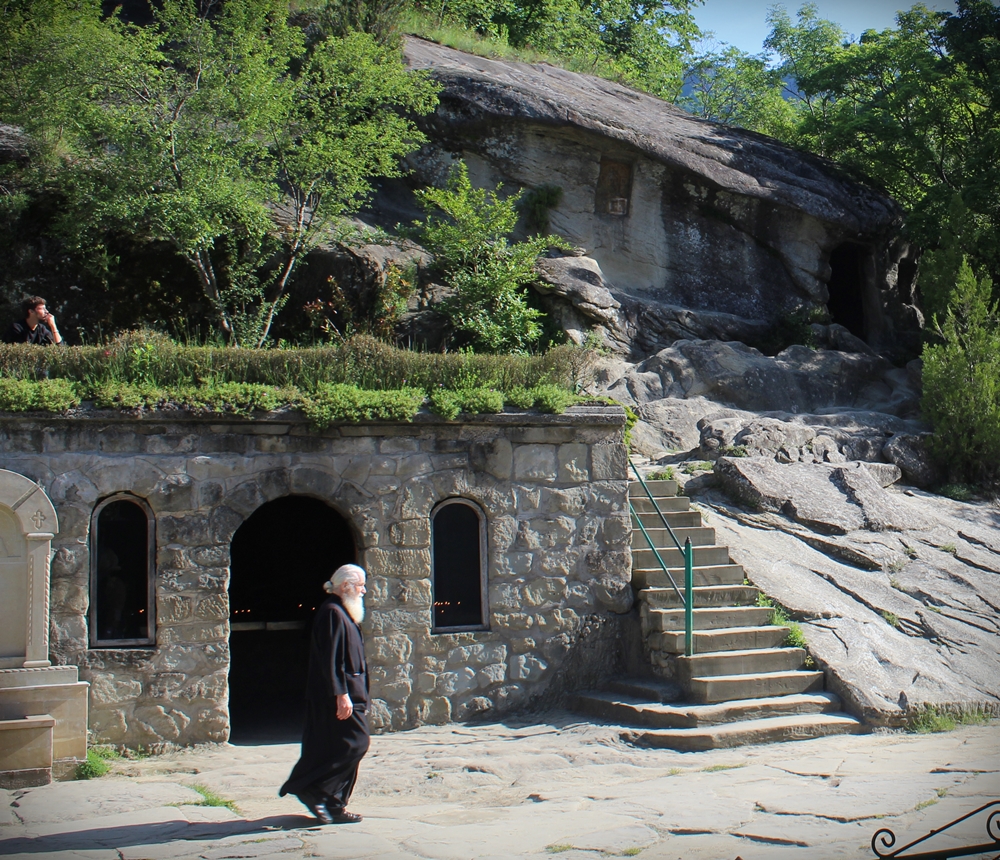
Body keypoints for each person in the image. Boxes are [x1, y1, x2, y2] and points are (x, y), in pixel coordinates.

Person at [279, 563, 370, 825]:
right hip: (340, 697)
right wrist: (340, 694)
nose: (364, 591)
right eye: (360, 586)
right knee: (354, 744)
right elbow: (330, 660)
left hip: (354, 694)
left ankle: (335, 805)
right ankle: (314, 789)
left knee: (344, 747)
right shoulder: (332, 613)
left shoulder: (344, 612)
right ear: (346, 587)